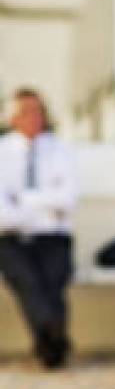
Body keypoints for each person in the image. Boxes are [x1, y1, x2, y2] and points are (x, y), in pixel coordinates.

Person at [0, 88, 77, 369]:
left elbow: (67, 200)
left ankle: (49, 345)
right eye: (25, 112)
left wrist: (22, 200)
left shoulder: (61, 151)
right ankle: (54, 337)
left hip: (54, 237)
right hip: (11, 240)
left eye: (37, 111)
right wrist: (43, 206)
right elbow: (2, 215)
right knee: (28, 281)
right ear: (11, 117)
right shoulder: (2, 153)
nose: (32, 117)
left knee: (54, 281)